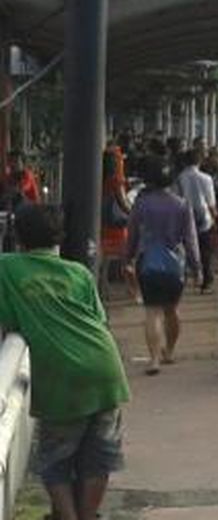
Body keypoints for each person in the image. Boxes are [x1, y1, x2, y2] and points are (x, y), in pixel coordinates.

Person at [0, 205, 130, 520]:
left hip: (62, 377)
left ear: (18, 239)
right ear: (60, 237)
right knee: (100, 458)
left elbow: (10, 324)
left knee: (54, 459)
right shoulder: (79, 273)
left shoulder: (6, 268)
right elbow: (98, 320)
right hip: (106, 369)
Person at [128, 156, 201, 375]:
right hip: (174, 266)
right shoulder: (181, 204)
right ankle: (169, 351)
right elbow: (191, 239)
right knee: (171, 310)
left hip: (147, 262)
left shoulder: (141, 204)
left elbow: (131, 235)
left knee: (152, 312)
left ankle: (154, 359)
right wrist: (197, 268)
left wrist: (127, 258)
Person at [101, 142, 139, 303]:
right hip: (118, 226)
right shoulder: (117, 179)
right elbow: (123, 203)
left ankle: (104, 290)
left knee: (105, 261)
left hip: (104, 224)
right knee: (128, 259)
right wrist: (135, 213)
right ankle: (134, 291)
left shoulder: (99, 176)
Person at [177, 148, 218, 291]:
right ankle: (205, 282)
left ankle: (189, 276)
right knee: (205, 250)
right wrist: (216, 219)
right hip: (203, 217)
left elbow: (178, 197)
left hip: (185, 215)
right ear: (200, 161)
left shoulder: (180, 177)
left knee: (187, 248)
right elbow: (211, 202)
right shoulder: (206, 178)